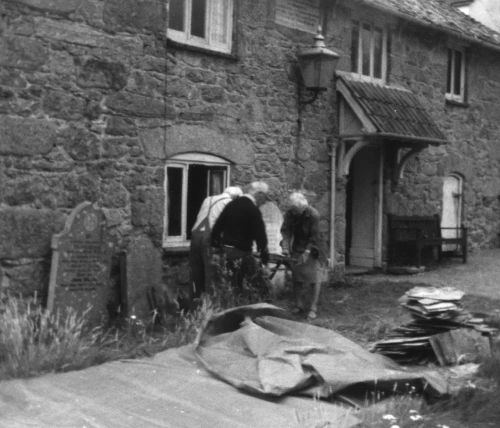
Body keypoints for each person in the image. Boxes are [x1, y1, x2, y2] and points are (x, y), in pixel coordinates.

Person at [211, 181, 270, 290]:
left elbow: (217, 226)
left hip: (226, 250)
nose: (264, 201)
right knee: (248, 284)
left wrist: (216, 245)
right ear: (259, 194)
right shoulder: (253, 210)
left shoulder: (231, 204)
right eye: (265, 197)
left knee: (229, 283)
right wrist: (265, 259)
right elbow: (260, 236)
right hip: (241, 252)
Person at [189, 186, 243, 298]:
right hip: (209, 238)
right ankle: (213, 307)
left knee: (196, 273)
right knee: (212, 275)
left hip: (195, 236)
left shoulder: (208, 199)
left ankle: (195, 304)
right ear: (236, 197)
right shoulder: (229, 203)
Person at [280, 192, 327, 320]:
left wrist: (307, 252)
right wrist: (285, 245)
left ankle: (313, 307)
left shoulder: (313, 215)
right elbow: (286, 230)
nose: (294, 212)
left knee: (314, 278)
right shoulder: (291, 213)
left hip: (316, 247)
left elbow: (314, 236)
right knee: (297, 276)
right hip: (298, 245)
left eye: (296, 211)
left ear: (302, 208)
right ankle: (298, 304)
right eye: (293, 210)